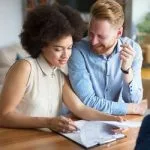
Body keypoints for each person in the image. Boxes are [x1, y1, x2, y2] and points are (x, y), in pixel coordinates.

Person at [0, 4, 123, 133]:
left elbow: (80, 109)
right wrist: (48, 122)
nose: (66, 55)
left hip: (45, 142)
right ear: (42, 45)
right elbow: (3, 116)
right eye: (58, 49)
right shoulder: (25, 68)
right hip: (17, 142)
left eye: (69, 48)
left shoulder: (59, 76)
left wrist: (112, 119)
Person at [68, 0, 147, 115]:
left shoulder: (133, 50)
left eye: (101, 36)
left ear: (119, 33)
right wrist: (130, 109)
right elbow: (88, 102)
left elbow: (134, 101)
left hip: (123, 123)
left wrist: (126, 70)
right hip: (87, 122)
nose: (94, 41)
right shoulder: (78, 51)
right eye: (91, 33)